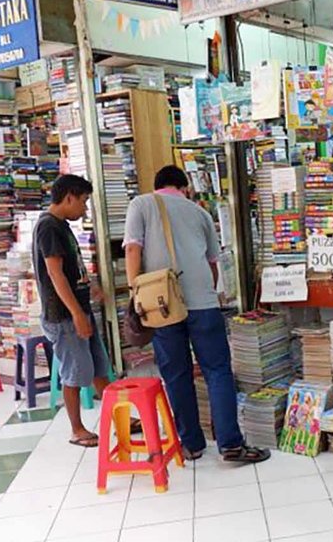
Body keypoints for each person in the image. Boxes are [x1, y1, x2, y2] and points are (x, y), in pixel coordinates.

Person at [124, 165, 269, 464]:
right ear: (184, 187)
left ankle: (191, 444)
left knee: (176, 374)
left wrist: (135, 291)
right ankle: (230, 444)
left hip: (163, 305)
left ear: (157, 185)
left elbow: (132, 250)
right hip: (203, 303)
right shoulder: (200, 213)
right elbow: (213, 262)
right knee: (217, 371)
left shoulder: (141, 204)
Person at [32, 175, 111, 448]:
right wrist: (76, 313)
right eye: (84, 202)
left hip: (79, 308)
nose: (85, 209)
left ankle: (117, 414)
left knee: (99, 366)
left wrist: (90, 287)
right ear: (68, 197)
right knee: (75, 372)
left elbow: (70, 269)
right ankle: (77, 428)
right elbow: (55, 274)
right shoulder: (48, 228)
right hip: (64, 316)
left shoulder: (61, 226)